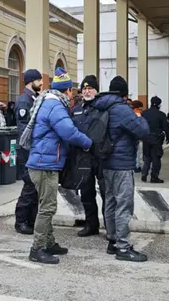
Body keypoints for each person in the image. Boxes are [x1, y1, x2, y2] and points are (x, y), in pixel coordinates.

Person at [26, 68, 92, 264]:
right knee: (47, 207)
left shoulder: (48, 102)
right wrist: (89, 143)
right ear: (67, 91)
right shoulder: (55, 106)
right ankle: (37, 248)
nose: (72, 95)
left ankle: (49, 242)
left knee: (46, 205)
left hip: (43, 162)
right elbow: (68, 132)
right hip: (44, 165)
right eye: (71, 91)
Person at [92, 76, 150, 262]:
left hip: (105, 162)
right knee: (123, 204)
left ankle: (113, 240)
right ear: (124, 94)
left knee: (109, 201)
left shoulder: (100, 105)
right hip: (121, 163)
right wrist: (139, 116)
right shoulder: (122, 109)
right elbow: (143, 131)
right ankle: (123, 247)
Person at [72, 75, 105, 237]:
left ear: (96, 90)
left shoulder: (103, 108)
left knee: (107, 193)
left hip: (100, 157)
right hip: (83, 158)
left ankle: (111, 227)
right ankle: (91, 225)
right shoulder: (77, 109)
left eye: (89, 88)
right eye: (84, 89)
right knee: (86, 193)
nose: (86, 91)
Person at [14, 69, 43, 235]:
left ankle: (31, 220)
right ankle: (21, 221)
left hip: (32, 149)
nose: (41, 83)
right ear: (31, 81)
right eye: (38, 80)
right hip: (27, 150)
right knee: (29, 185)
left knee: (34, 186)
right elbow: (24, 129)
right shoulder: (25, 101)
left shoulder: (33, 98)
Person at [141, 96, 169, 184]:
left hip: (146, 138)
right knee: (156, 158)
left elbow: (140, 125)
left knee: (147, 157)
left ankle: (144, 174)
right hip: (156, 139)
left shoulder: (144, 113)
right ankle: (154, 176)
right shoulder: (161, 114)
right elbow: (166, 127)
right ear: (159, 104)